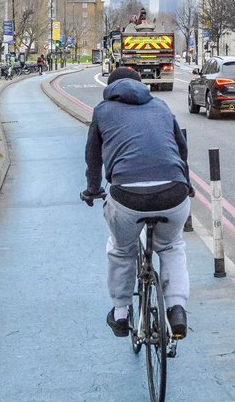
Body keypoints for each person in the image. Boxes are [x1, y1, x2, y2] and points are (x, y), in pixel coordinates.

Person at [80, 67, 192, 340]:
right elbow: (181, 149)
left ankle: (120, 313)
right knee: (171, 245)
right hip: (173, 192)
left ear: (111, 88)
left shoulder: (103, 111)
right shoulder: (161, 107)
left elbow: (93, 158)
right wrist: (186, 185)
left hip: (127, 197)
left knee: (121, 249)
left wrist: (93, 191)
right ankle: (176, 308)